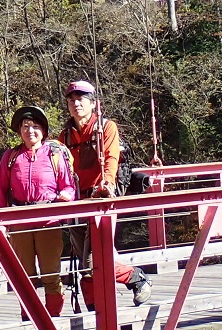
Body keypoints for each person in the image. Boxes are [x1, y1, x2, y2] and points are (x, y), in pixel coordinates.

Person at [59, 80, 153, 307]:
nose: (76, 104)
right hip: (77, 200)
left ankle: (134, 278)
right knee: (84, 260)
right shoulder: (65, 136)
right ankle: (94, 308)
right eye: (71, 100)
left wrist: (108, 184)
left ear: (93, 103)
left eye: (81, 99)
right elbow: (62, 168)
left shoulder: (106, 127)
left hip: (101, 199)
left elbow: (111, 158)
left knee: (92, 262)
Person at [0, 106, 76, 318]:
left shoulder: (54, 155)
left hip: (48, 221)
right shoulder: (11, 157)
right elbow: (1, 190)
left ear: (44, 131)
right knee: (24, 276)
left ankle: (53, 318)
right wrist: (1, 222)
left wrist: (66, 196)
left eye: (35, 126)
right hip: (20, 221)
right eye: (25, 126)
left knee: (51, 273)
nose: (30, 131)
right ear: (19, 131)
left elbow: (68, 186)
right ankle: (29, 319)